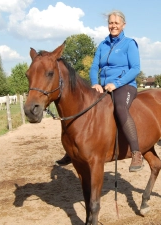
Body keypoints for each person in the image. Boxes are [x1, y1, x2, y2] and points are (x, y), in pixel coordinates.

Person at [56, 10, 143, 172]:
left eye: (116, 23)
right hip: (103, 86)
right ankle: (71, 149)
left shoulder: (129, 44)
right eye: (111, 23)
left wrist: (116, 83)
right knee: (82, 107)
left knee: (120, 108)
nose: (113, 26)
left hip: (125, 85)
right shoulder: (103, 45)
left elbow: (136, 68)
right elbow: (95, 66)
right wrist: (95, 83)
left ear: (123, 25)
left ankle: (136, 152)